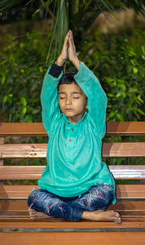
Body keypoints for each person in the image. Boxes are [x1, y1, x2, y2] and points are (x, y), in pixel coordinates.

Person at [27, 29, 121, 223]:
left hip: (90, 188)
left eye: (75, 96)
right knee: (34, 197)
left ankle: (59, 212)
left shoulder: (93, 125)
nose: (68, 102)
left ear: (86, 102)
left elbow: (98, 95)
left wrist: (75, 60)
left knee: (105, 191)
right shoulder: (54, 123)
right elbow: (46, 94)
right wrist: (60, 61)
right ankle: (87, 215)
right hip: (57, 190)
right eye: (62, 97)